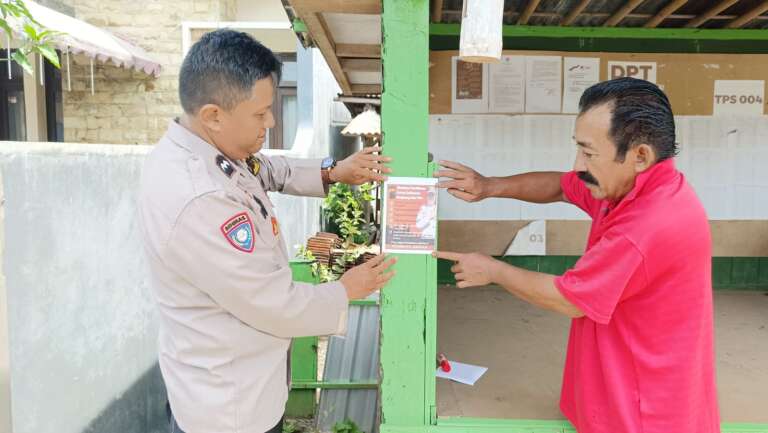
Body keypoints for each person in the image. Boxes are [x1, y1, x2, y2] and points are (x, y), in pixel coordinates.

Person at [138, 29, 396, 433]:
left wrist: (333, 171)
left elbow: (267, 170)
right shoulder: (199, 199)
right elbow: (274, 304)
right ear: (213, 115)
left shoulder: (214, 151)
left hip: (245, 384)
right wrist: (346, 290)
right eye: (260, 114)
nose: (271, 122)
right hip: (230, 409)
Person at [433, 78, 719, 433]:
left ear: (640, 155)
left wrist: (493, 270)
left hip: (642, 415)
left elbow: (571, 299)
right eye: (578, 148)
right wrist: (489, 186)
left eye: (589, 152)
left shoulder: (646, 224)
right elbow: (561, 186)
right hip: (621, 393)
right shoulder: (628, 187)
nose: (578, 163)